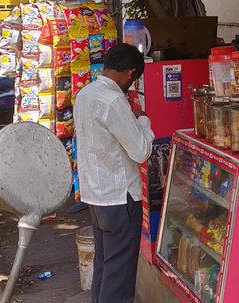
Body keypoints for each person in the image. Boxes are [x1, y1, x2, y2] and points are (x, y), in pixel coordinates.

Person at [74, 43, 153, 303]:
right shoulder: (113, 101)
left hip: (96, 196)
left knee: (106, 266)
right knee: (119, 275)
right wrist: (142, 118)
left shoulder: (85, 94)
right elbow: (141, 151)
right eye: (134, 79)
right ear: (130, 73)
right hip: (119, 199)